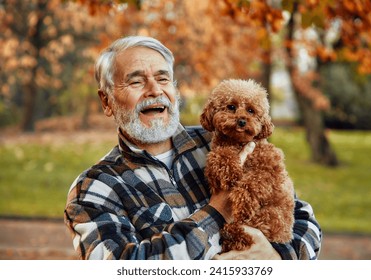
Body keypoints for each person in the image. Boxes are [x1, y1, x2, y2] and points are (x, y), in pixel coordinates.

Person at [64, 35, 322, 260]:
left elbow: (303, 217)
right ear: (107, 101)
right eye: (136, 82)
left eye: (163, 79)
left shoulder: (224, 140)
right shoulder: (95, 189)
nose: (155, 91)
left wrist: (278, 257)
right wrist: (218, 211)